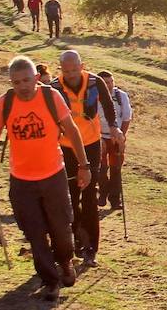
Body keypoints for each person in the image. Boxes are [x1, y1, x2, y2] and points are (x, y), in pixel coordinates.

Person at [0, 56, 87, 300]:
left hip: (53, 175)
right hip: (21, 181)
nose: (22, 86)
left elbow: (71, 129)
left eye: (27, 80)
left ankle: (65, 262)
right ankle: (50, 281)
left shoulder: (51, 97)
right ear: (11, 82)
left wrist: (84, 165)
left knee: (61, 229)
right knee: (34, 234)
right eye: (16, 82)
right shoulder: (5, 103)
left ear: (36, 79)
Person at [52, 50, 121, 266]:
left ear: (82, 66)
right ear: (61, 69)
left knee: (90, 196)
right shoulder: (53, 88)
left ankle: (91, 248)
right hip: (65, 147)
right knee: (70, 197)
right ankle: (75, 243)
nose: (71, 74)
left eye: (75, 69)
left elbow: (108, 106)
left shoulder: (95, 81)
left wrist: (114, 127)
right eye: (67, 70)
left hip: (91, 144)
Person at [96, 70, 132, 210]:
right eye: (106, 83)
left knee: (116, 168)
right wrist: (98, 138)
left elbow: (127, 117)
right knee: (101, 168)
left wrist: (121, 136)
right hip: (99, 137)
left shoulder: (121, 96)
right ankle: (103, 194)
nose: (109, 85)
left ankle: (115, 200)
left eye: (111, 82)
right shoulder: (93, 97)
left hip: (116, 137)